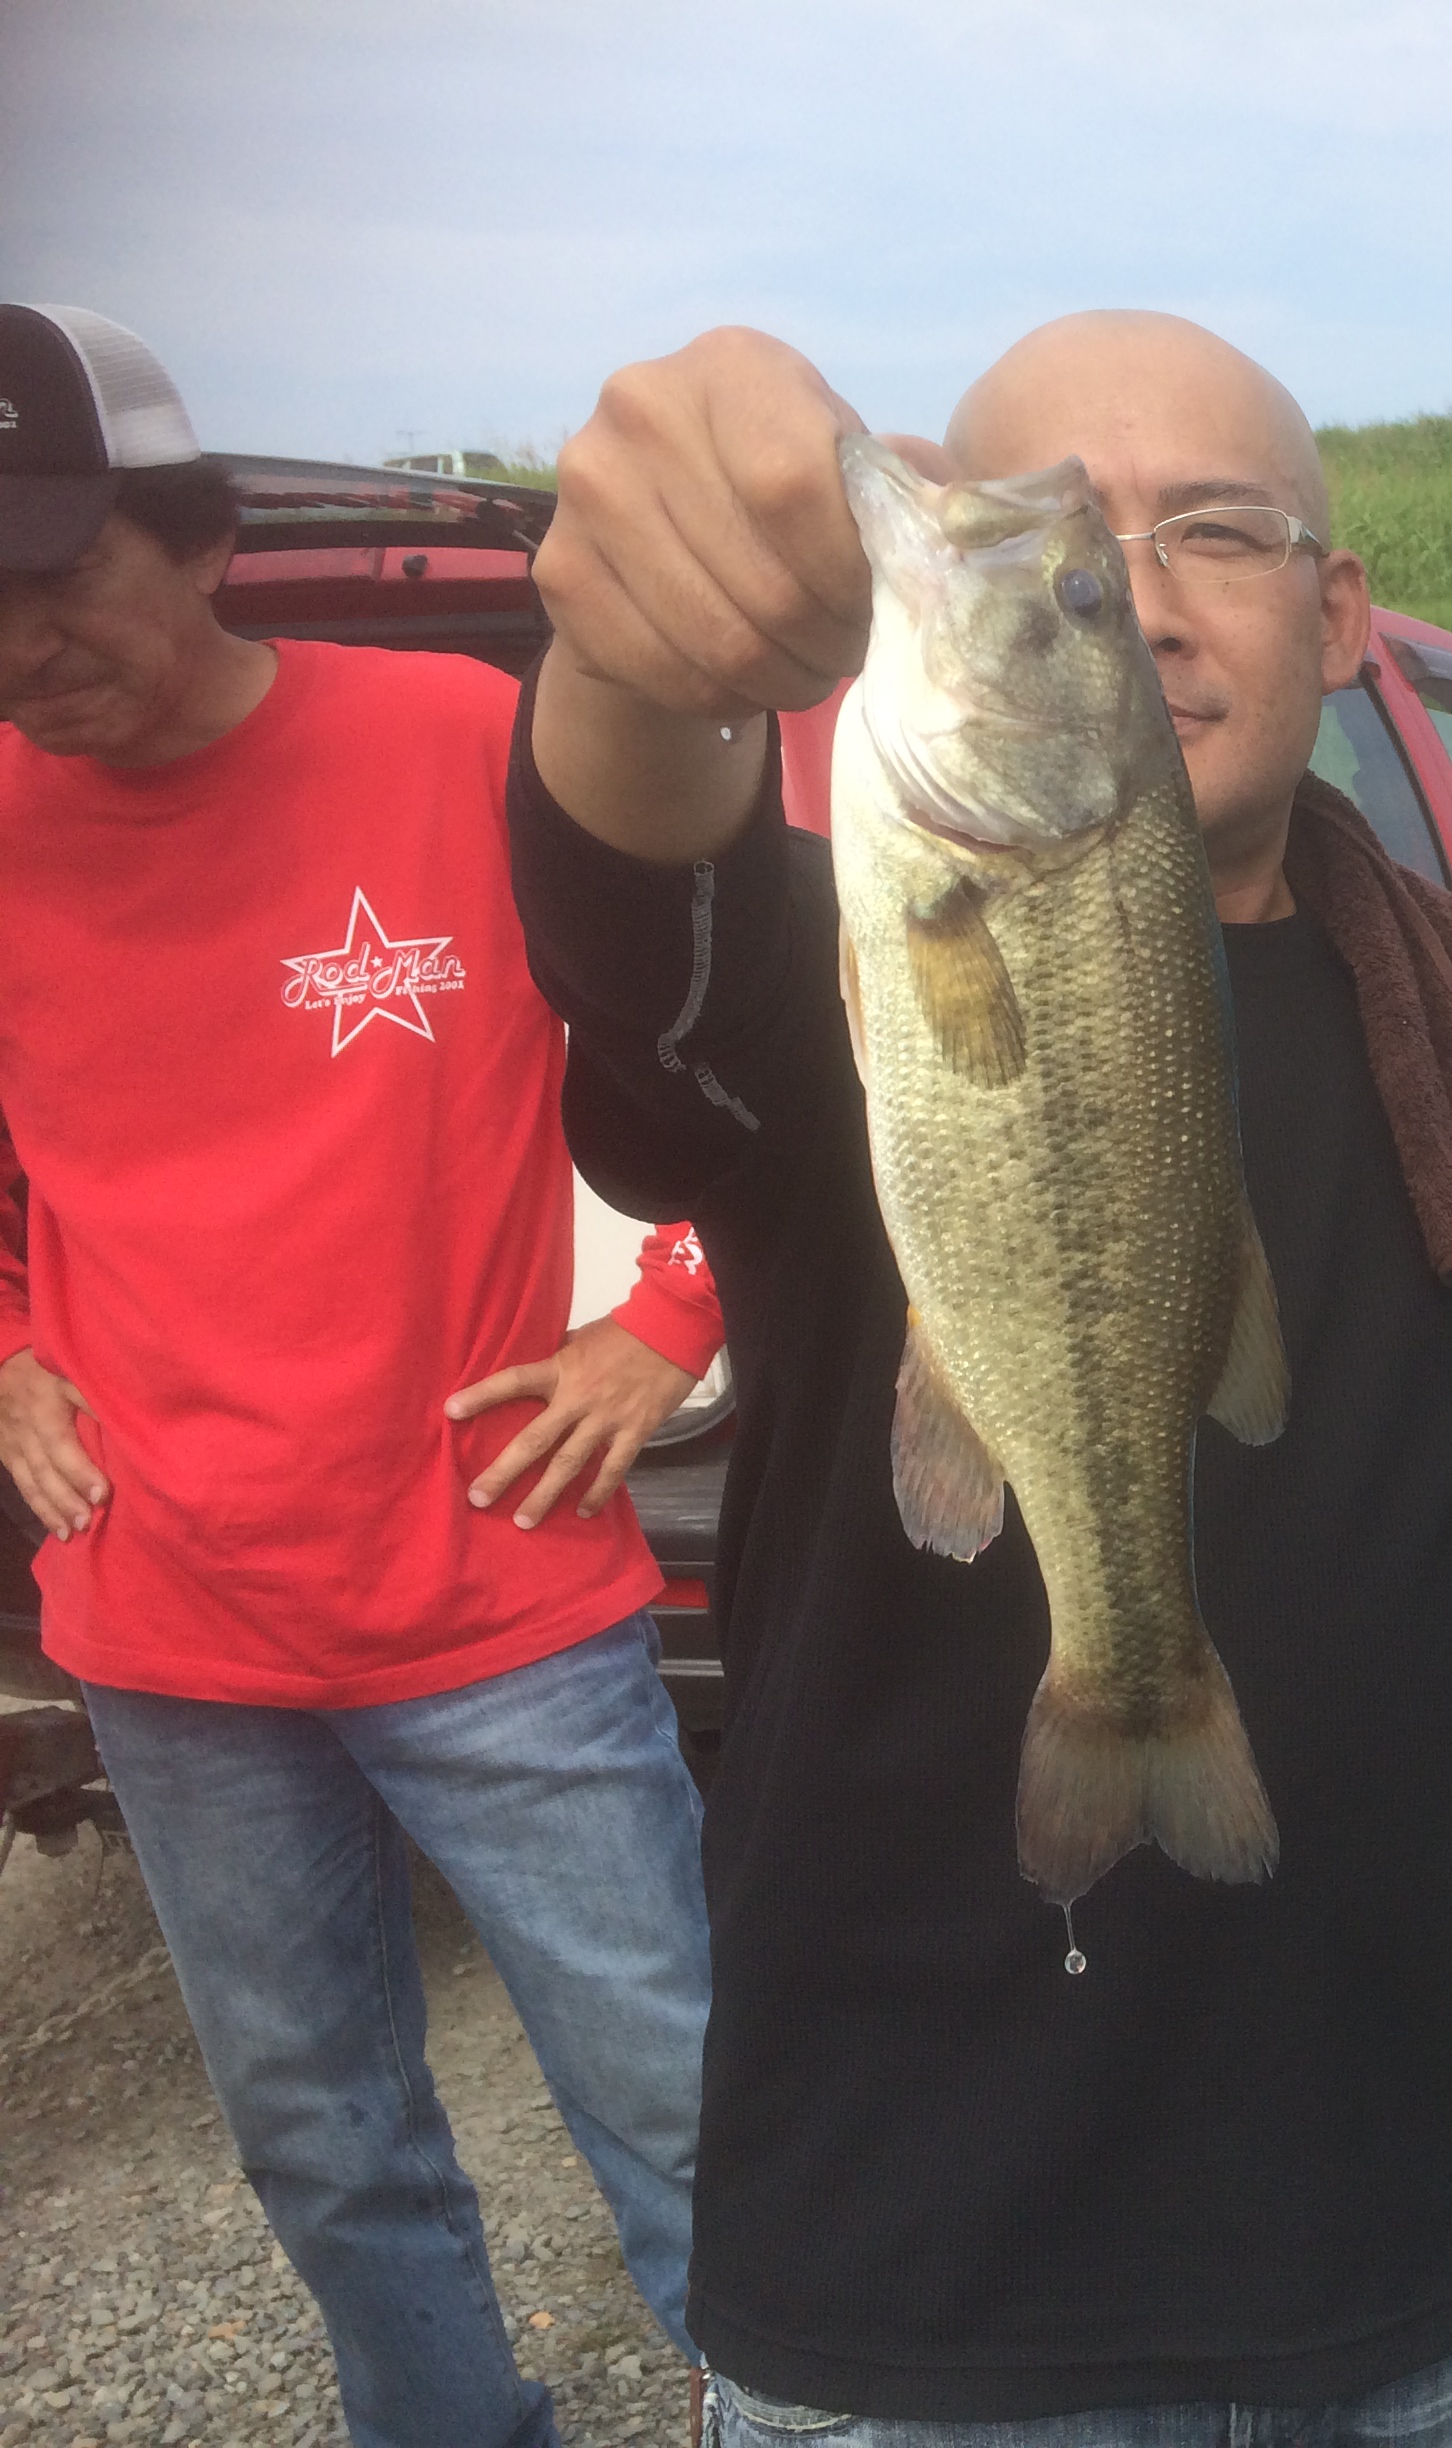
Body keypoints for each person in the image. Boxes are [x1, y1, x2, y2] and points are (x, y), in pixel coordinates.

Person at [511, 308, 1452, 2442]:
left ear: (1339, 612)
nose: (1140, 593)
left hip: (1408, 2235)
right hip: (918, 2267)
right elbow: (631, 904)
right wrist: (636, 668)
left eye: (1213, 529)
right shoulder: (842, 950)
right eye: (1061, 538)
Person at [0, 302, 717, 2448]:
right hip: (166, 1624)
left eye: (57, 572)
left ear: (201, 536)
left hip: (497, 1600)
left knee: (687, 2108)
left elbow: (764, 1028)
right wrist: (10, 1344)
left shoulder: (457, 742)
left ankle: (790, 2416)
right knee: (324, 2145)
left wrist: (675, 1307)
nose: (21, 641)